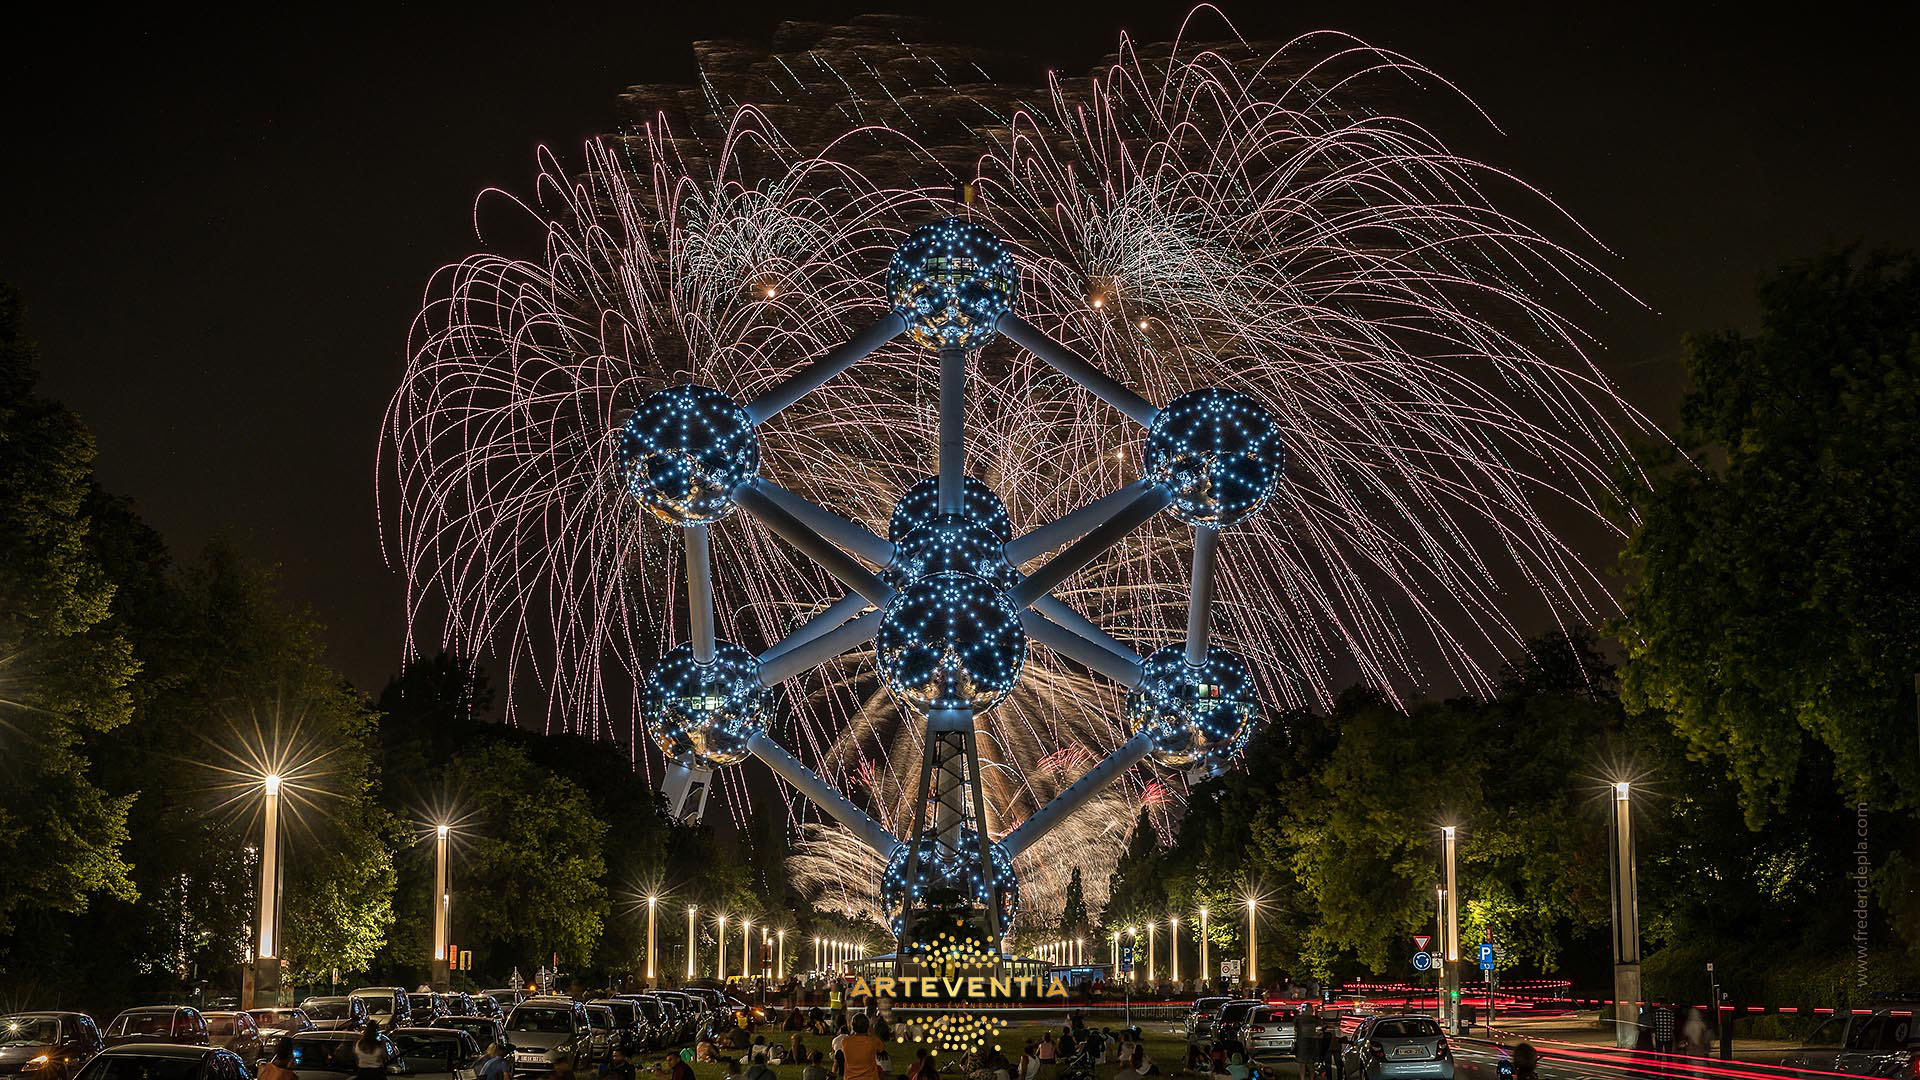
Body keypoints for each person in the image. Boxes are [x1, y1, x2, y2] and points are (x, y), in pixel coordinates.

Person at [840, 1013, 886, 1080]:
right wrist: (872, 1030)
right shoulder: (873, 1041)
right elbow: (881, 1048)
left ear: (853, 1026)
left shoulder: (845, 1041)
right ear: (867, 1027)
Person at [1293, 1006, 1319, 1080]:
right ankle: (1311, 1078)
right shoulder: (1314, 1019)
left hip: (1302, 1042)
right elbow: (1320, 1025)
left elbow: (1295, 1027)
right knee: (1310, 1063)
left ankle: (1303, 1078)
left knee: (1302, 1063)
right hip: (1310, 1042)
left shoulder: (1298, 1018)